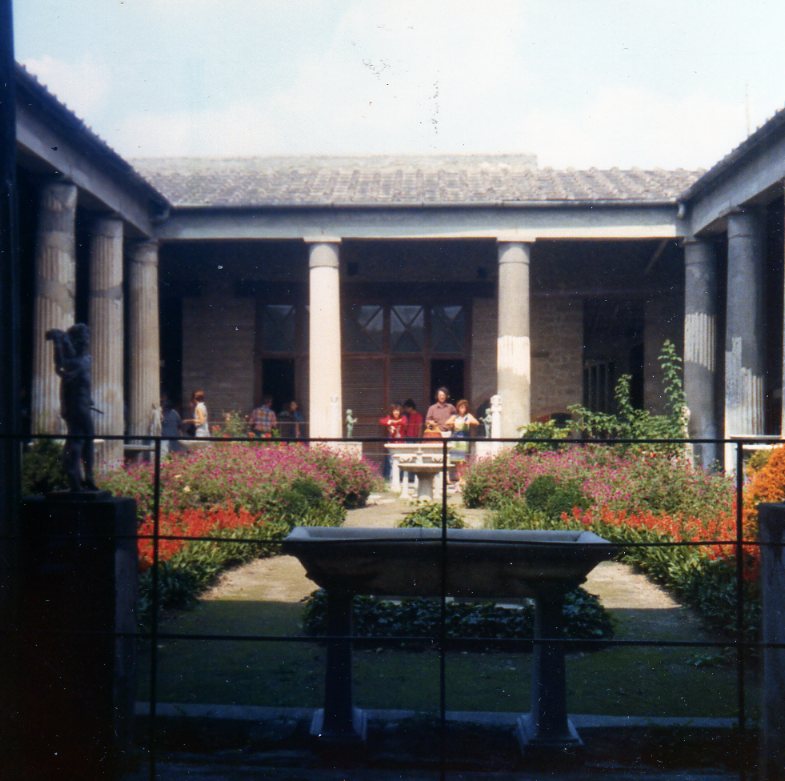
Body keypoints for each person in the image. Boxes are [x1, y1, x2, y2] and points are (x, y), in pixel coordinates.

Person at [45, 323, 97, 491]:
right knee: (80, 440)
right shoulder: (80, 362)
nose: (87, 342)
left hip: (81, 405)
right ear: (78, 342)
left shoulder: (83, 360)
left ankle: (82, 478)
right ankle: (81, 478)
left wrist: (61, 341)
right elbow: (61, 365)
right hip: (78, 407)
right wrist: (59, 342)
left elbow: (62, 366)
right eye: (84, 339)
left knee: (81, 440)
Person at [447, 399, 480, 484]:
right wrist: (453, 423)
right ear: (458, 408)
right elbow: (447, 422)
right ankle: (459, 478)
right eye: (461, 407)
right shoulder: (455, 416)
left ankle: (463, 478)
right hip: (456, 440)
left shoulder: (468, 416)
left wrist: (469, 421)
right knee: (457, 461)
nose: (462, 409)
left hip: (464, 439)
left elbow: (477, 423)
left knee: (463, 461)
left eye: (464, 407)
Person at [378, 403, 407, 479]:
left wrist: (393, 422)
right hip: (392, 443)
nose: (396, 413)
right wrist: (390, 423)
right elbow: (381, 421)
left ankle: (398, 479)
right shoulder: (389, 417)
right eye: (394, 411)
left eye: (397, 411)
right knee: (391, 462)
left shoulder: (403, 417)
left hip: (401, 443)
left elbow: (404, 422)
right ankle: (393, 479)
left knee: (400, 462)